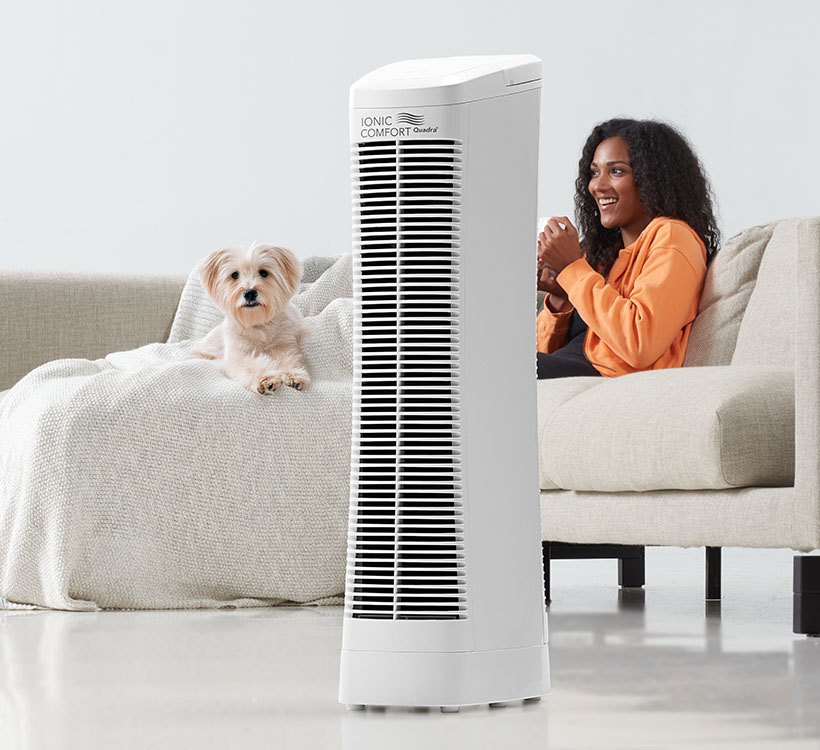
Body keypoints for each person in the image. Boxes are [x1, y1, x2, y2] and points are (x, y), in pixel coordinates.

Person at [536, 118, 720, 379]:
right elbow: (544, 352)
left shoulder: (673, 237)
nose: (597, 186)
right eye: (594, 173)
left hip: (607, 379)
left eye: (616, 171)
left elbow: (640, 345)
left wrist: (572, 268)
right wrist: (561, 298)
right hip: (566, 376)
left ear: (652, 179)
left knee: (492, 364)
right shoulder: (603, 255)